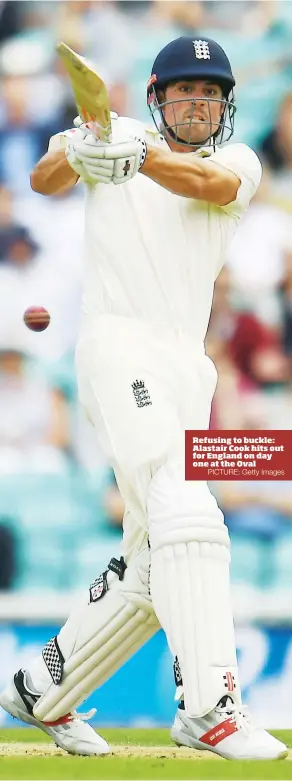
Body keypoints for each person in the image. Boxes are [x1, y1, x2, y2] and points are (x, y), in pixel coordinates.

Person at [0, 36, 287, 760]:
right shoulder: (112, 135)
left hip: (187, 367)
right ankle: (211, 705)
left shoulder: (238, 162)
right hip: (117, 347)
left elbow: (205, 188)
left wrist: (136, 156)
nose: (198, 103)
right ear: (158, 95)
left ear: (224, 108)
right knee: (188, 506)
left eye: (211, 94)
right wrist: (83, 152)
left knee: (153, 562)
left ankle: (40, 689)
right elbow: (42, 178)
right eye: (185, 90)